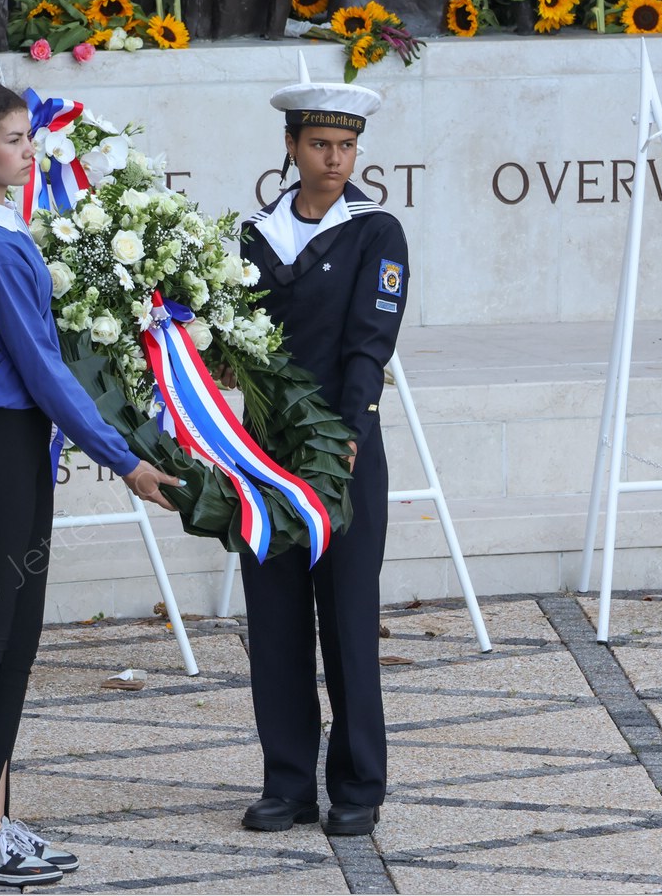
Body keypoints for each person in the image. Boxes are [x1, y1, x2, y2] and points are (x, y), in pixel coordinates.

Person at [0, 77, 181, 886]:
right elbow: (43, 369)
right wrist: (124, 459)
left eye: (28, 136)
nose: (31, 150)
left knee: (12, 640)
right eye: (16, 139)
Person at [236, 55, 409, 837]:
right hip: (263, 455)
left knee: (346, 620)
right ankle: (287, 782)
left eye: (346, 146)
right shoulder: (254, 237)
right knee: (273, 625)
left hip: (342, 451)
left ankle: (359, 784)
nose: (334, 160)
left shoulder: (376, 231)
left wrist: (348, 433)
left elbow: (369, 345)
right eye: (319, 145)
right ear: (291, 144)